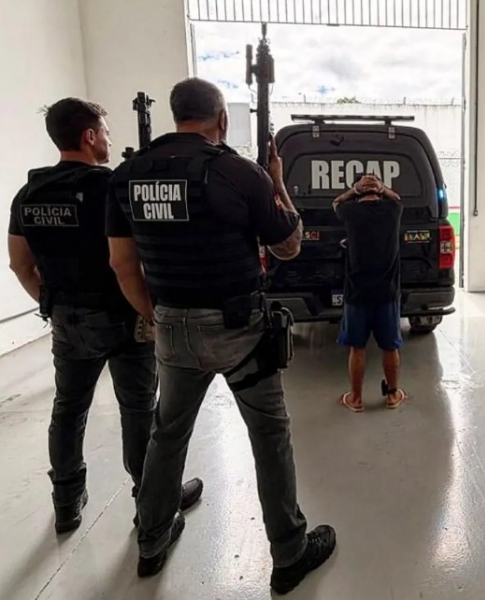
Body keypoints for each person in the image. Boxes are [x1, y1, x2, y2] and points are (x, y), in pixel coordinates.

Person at [106, 77, 335, 592]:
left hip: (171, 328)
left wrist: (159, 315)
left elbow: (122, 263)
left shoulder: (127, 176)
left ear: (175, 115)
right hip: (239, 332)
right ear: (222, 119)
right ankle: (289, 554)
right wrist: (276, 182)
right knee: (269, 436)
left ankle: (151, 541)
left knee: (167, 436)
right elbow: (289, 246)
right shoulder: (239, 172)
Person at [7, 98, 202, 534]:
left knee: (68, 408)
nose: (109, 141)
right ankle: (152, 502)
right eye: (106, 133)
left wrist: (53, 306)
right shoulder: (111, 187)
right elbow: (128, 260)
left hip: (66, 320)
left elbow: (19, 264)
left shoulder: (29, 192)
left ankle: (66, 504)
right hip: (122, 317)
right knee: (138, 409)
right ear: (89, 136)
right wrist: (150, 309)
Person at [333, 174, 406, 412]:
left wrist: (354, 190)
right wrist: (382, 187)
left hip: (357, 293)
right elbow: (397, 197)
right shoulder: (392, 210)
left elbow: (336, 202)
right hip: (387, 293)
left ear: (358, 193)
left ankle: (356, 399)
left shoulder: (350, 211)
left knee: (357, 348)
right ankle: (392, 396)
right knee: (390, 347)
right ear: (379, 191)